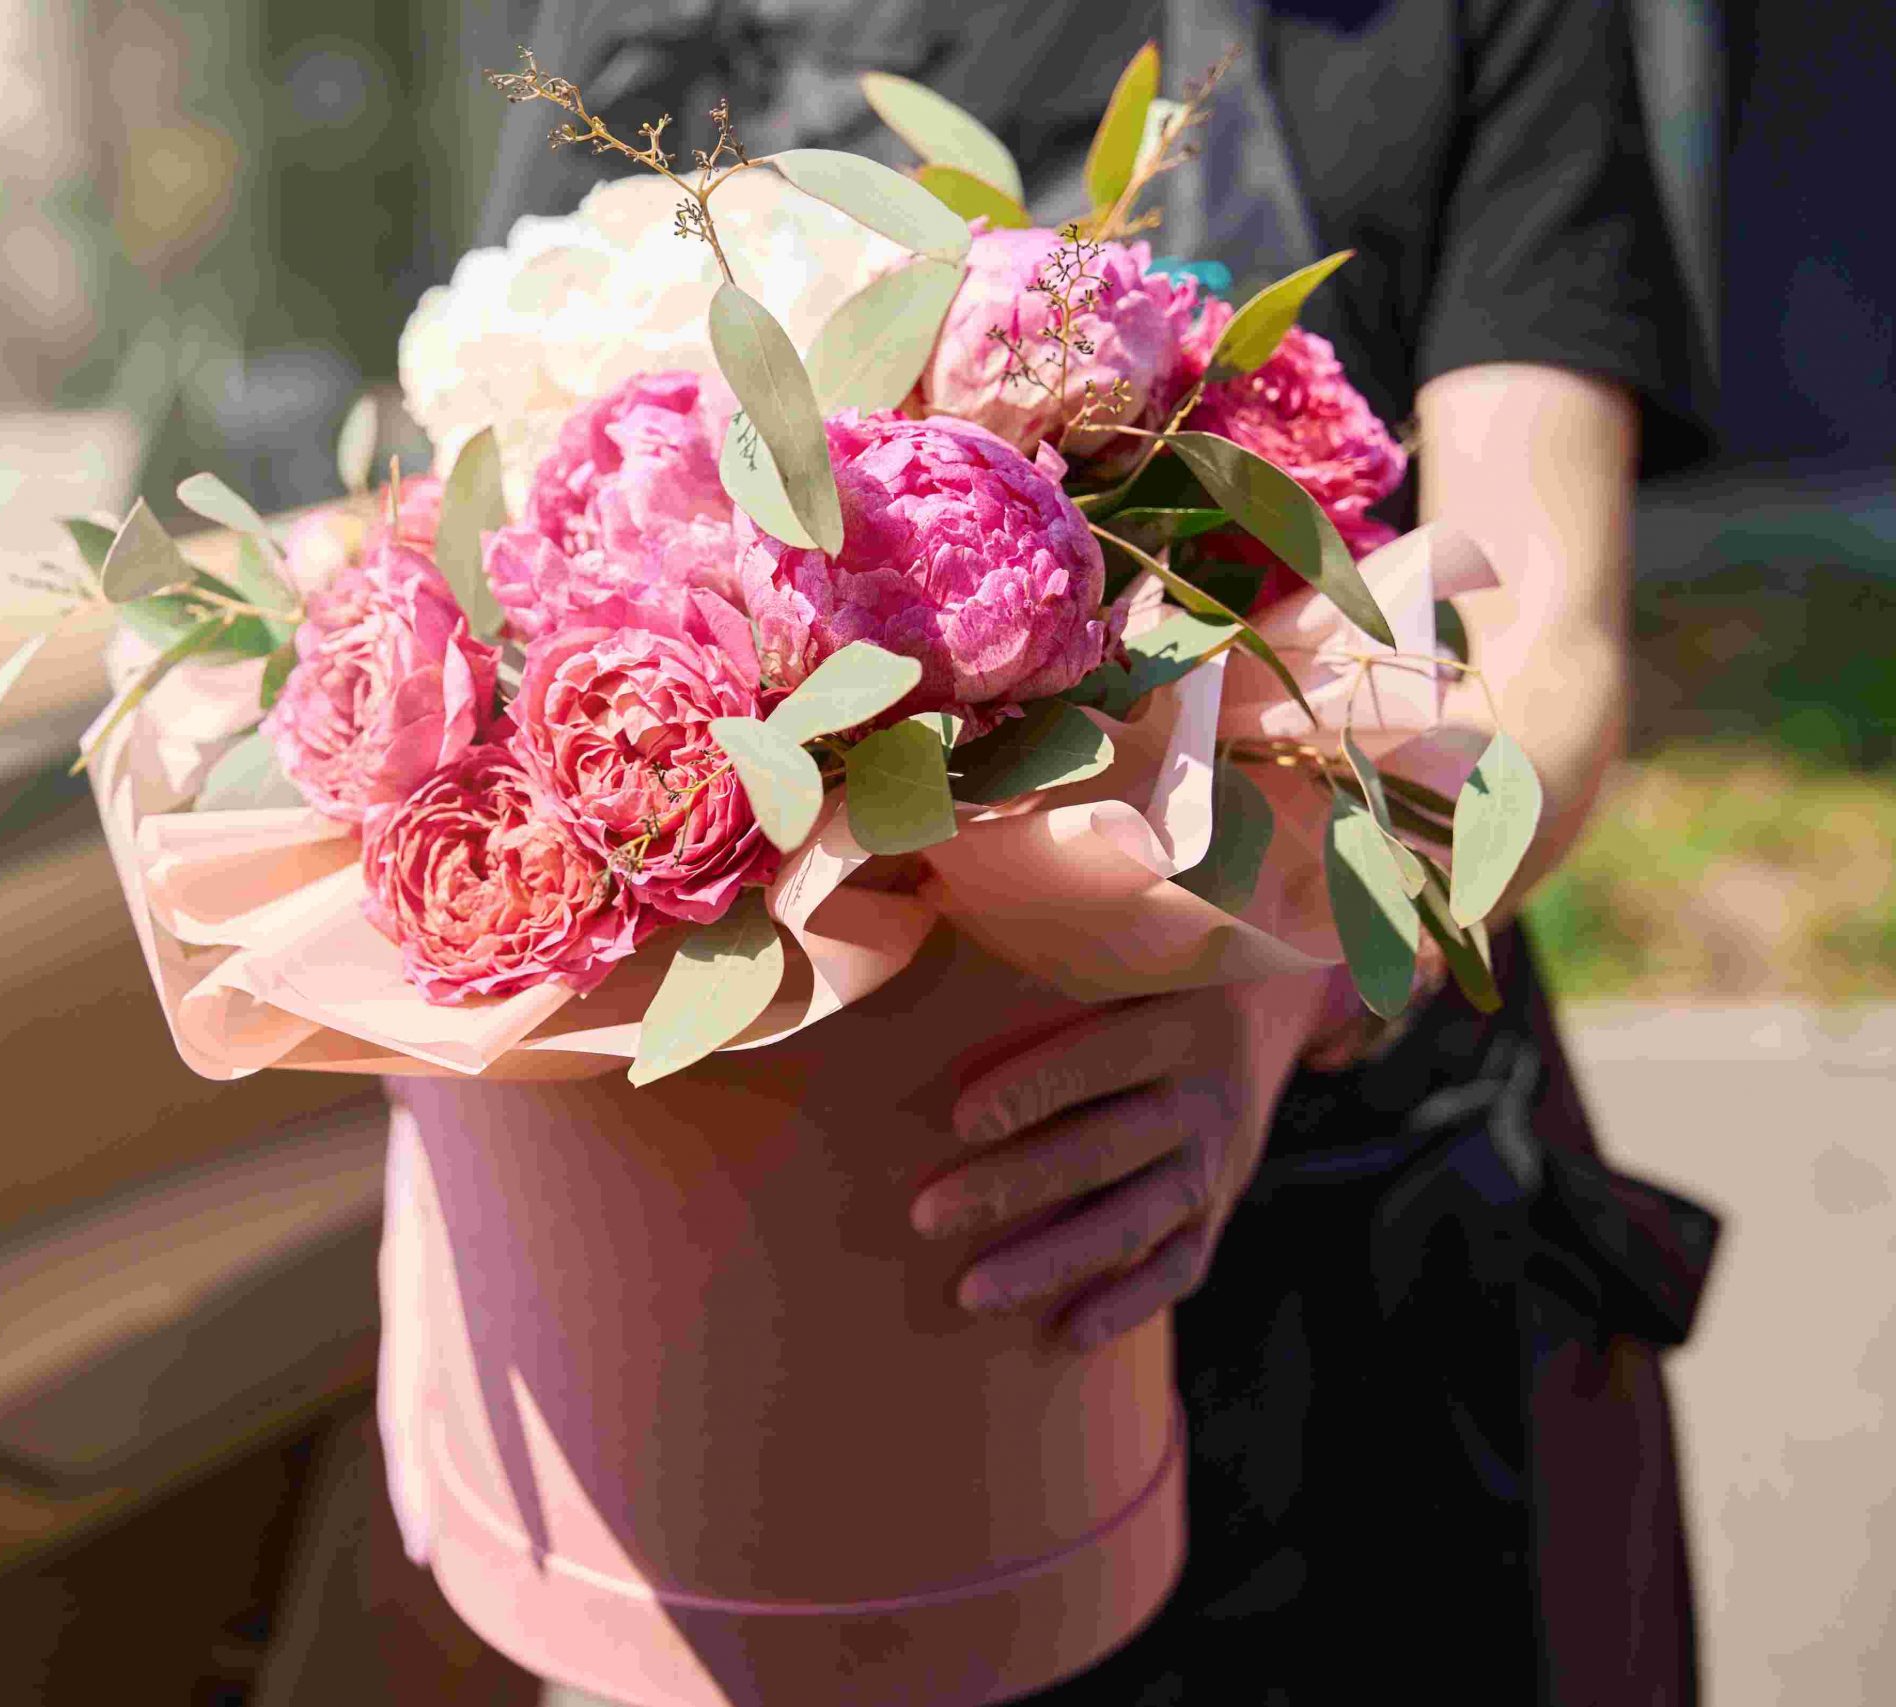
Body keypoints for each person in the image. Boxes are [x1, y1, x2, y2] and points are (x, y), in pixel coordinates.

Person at [471, 1, 1723, 1701]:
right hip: (784, 1342)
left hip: (1345, 1291)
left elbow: (1540, 634)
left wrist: (1283, 982)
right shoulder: (645, 29)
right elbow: (494, 530)